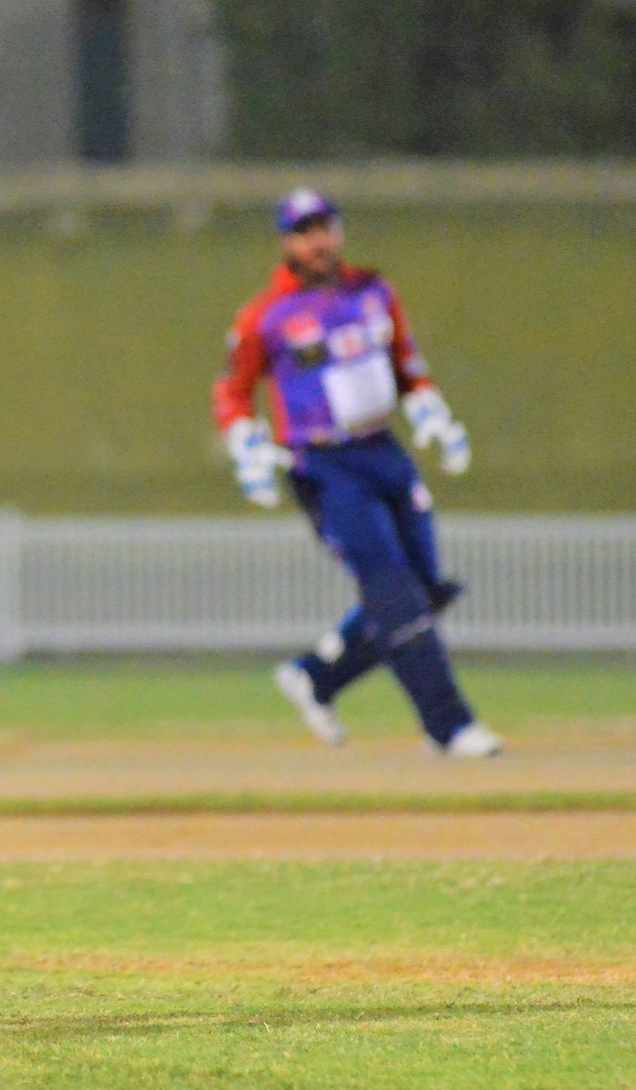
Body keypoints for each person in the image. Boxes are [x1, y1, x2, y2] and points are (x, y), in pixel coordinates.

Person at [212, 188, 501, 759]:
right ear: (286, 242)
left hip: (383, 450)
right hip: (324, 464)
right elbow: (232, 391)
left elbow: (406, 365)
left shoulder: (374, 292)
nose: (319, 241)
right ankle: (448, 725)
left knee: (425, 589)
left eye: (326, 227)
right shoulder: (266, 316)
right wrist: (245, 442)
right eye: (305, 231)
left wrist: (432, 412)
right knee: (394, 593)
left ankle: (317, 676)